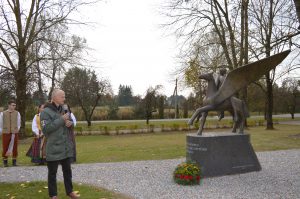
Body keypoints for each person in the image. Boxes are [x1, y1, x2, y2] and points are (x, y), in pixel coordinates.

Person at [40, 89, 80, 199]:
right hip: (53, 147)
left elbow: (70, 124)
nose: (64, 98)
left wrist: (70, 123)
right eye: (62, 96)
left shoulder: (65, 109)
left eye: (64, 96)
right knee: (52, 173)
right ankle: (53, 195)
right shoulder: (45, 112)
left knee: (68, 171)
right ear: (55, 97)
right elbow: (46, 129)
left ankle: (70, 192)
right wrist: (62, 120)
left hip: (65, 146)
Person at [0, 99, 21, 167]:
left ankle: (14, 161)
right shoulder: (3, 113)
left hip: (14, 133)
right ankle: (5, 161)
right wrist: (2, 131)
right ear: (9, 105)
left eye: (15, 105)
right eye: (13, 105)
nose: (14, 106)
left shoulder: (17, 113)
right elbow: (1, 124)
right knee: (5, 147)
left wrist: (17, 129)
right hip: (5, 132)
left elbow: (18, 123)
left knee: (15, 147)